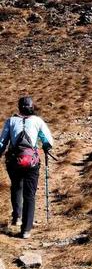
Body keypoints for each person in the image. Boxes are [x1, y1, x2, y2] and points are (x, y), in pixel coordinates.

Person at [0, 97, 54, 239]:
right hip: (32, 162)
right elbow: (48, 141)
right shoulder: (38, 121)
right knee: (29, 195)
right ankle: (26, 230)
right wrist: (46, 147)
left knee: (16, 186)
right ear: (32, 107)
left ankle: (17, 217)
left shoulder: (11, 121)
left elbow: (2, 143)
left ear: (19, 107)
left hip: (14, 161)